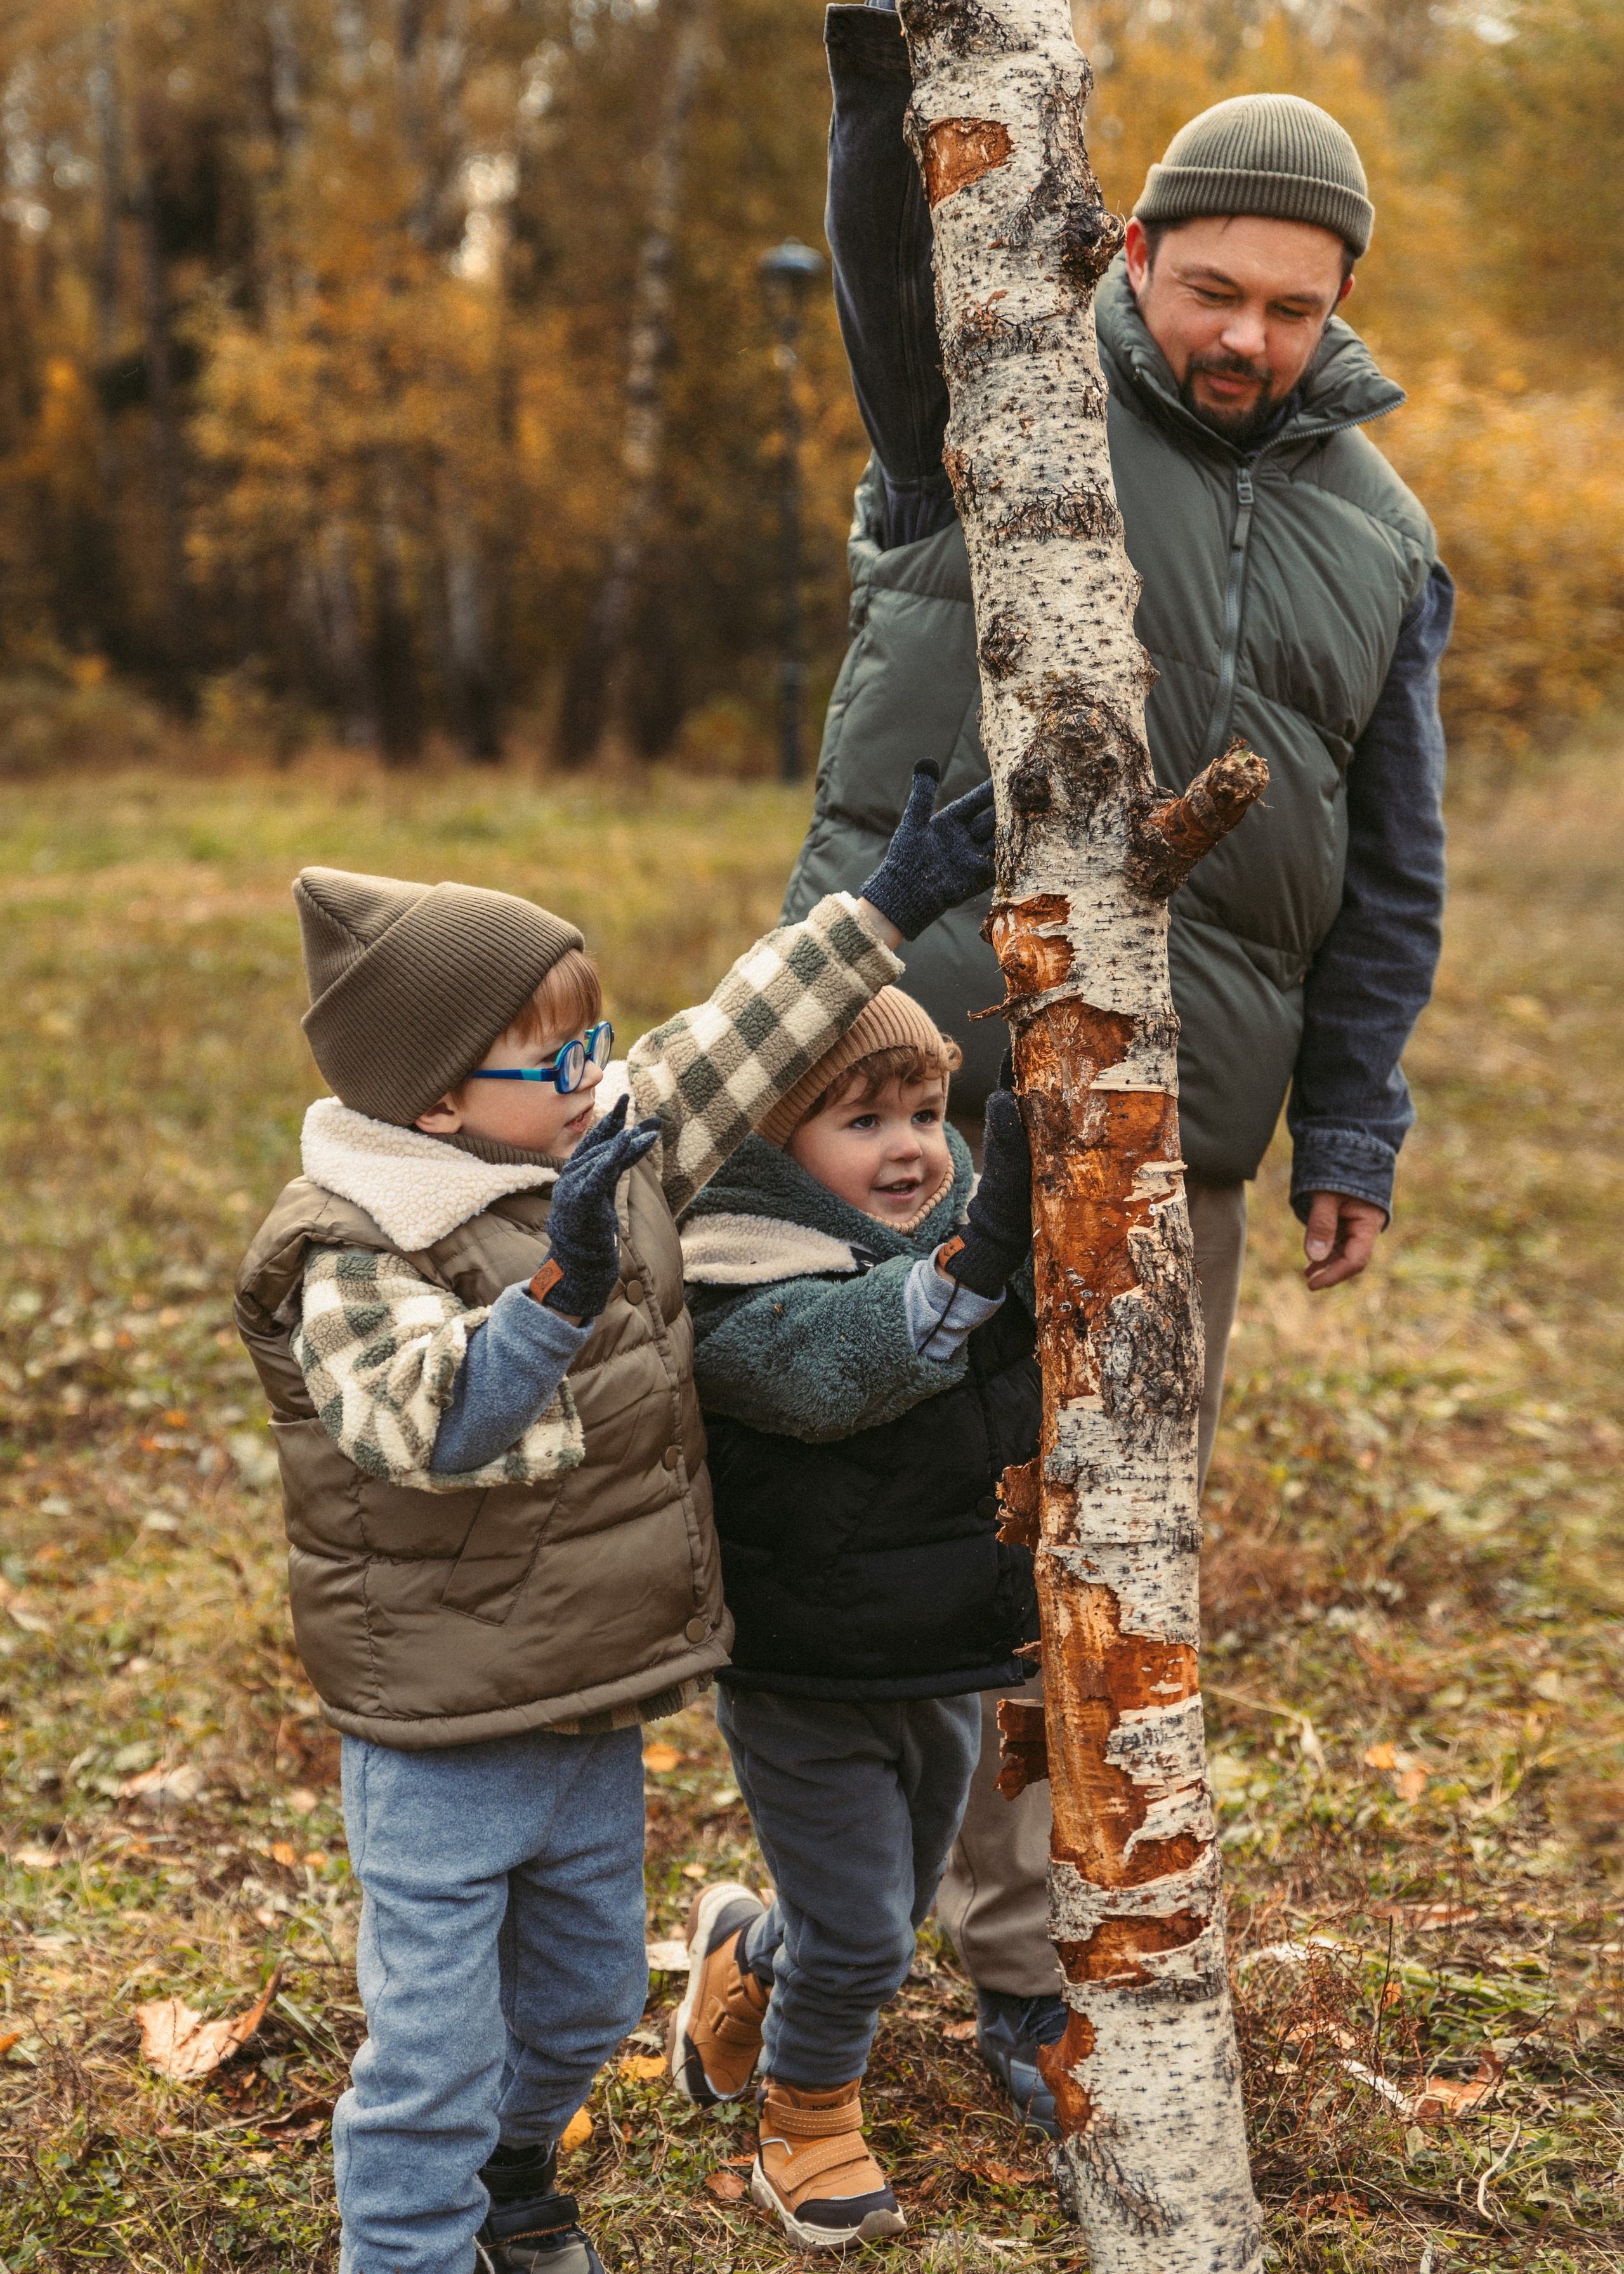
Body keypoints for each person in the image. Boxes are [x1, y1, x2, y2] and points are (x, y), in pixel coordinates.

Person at [780, 6, 1451, 2133]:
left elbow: (1395, 859)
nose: (1246, 336)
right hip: (911, 1088)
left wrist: (1349, 1113)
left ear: (1341, 308)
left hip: (1192, 1139)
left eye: (1292, 308)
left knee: (1107, 1565)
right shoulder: (1006, 392)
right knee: (878, 1559)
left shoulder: (1387, 532)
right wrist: (886, 83)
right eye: (1211, 287)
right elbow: (903, 245)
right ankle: (815, 1944)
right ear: (1136, 243)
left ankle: (1030, 1973)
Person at [232, 762, 996, 2274]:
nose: (597, 1069)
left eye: (593, 1037)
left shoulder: (593, 1137)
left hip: (588, 1696)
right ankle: (409, 2246)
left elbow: (723, 1042)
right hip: (442, 1721)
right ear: (439, 1097)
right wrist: (559, 1290)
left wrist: (884, 908)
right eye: (555, 1052)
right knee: (435, 2045)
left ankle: (517, 2181)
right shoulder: (352, 1243)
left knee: (584, 1994)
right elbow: (430, 1423)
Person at [668, 966, 1039, 2249]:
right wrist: (973, 1266)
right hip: (800, 1668)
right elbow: (844, 1359)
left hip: (937, 1649)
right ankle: (809, 2112)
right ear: (773, 1145)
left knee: (887, 1889)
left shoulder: (931, 1253)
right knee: (868, 1929)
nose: (909, 1146)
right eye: (862, 1117)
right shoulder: (730, 1273)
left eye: (930, 1111)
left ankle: (743, 1957)